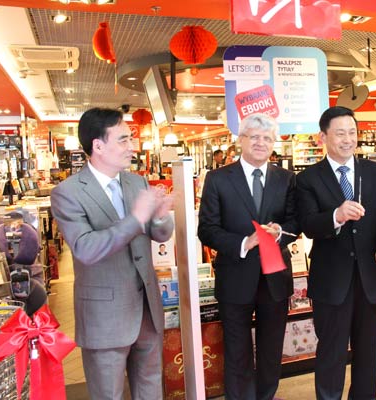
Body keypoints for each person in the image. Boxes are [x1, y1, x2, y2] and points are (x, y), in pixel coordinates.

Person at [50, 107, 174, 400]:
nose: (132, 147)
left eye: (130, 139)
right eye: (123, 140)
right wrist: (136, 217)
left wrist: (160, 215)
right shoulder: (68, 192)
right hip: (105, 314)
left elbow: (160, 234)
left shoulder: (136, 182)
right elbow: (86, 249)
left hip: (146, 308)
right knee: (108, 393)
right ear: (98, 145)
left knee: (151, 388)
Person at [296, 106, 376, 400]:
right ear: (323, 137)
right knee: (330, 352)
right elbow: (307, 225)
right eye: (340, 133)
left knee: (368, 352)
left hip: (371, 279)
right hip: (331, 281)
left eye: (352, 132)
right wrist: (336, 216)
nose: (348, 139)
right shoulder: (308, 179)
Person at [198, 113, 300, 400]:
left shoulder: (287, 179)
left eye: (267, 138)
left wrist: (281, 231)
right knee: (237, 348)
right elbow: (207, 229)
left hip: (275, 277)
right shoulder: (218, 179)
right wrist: (244, 242)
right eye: (254, 136)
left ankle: (266, 395)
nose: (260, 143)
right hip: (235, 275)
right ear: (240, 139)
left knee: (270, 349)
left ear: (274, 143)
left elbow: (296, 222)